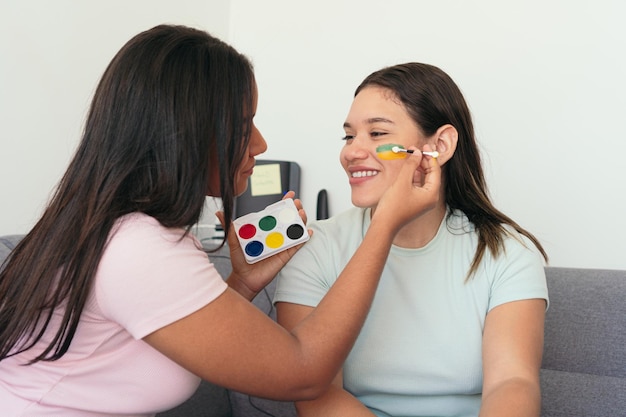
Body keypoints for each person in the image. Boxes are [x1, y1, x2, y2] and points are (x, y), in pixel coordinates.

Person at [0, 27, 441, 416]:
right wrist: (383, 225)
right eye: (244, 123)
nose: (261, 143)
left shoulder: (130, 232)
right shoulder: (137, 248)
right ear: (187, 127)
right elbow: (303, 374)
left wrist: (243, 285)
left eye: (377, 133)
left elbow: (168, 331)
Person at [274, 62, 549, 417]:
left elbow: (513, 382)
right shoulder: (316, 247)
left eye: (377, 134)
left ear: (441, 145)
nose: (351, 152)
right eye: (349, 136)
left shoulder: (507, 252)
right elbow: (315, 394)